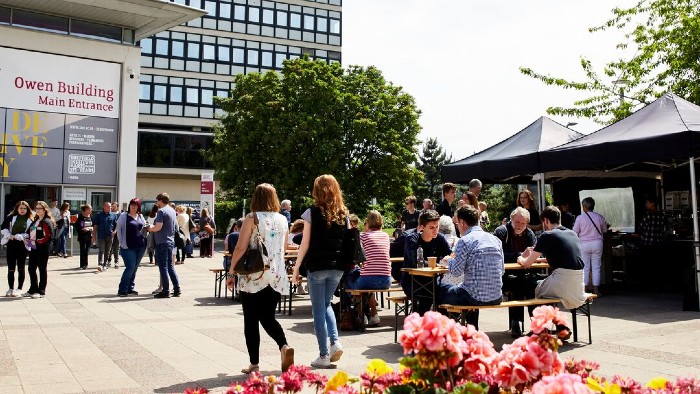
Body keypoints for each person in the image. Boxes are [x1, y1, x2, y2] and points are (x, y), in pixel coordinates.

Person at [226, 183, 294, 374]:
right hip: (276, 275)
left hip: (254, 274)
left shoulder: (252, 218)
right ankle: (284, 346)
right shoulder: (283, 219)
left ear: (256, 198)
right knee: (268, 317)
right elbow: (285, 248)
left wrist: (231, 271)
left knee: (251, 320)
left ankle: (254, 364)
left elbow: (240, 247)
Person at [291, 174, 348, 369]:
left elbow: (304, 243)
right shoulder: (344, 214)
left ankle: (324, 355)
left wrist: (297, 267)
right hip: (338, 267)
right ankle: (335, 342)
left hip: (317, 267)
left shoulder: (311, 213)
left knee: (318, 310)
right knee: (326, 304)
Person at [517, 206, 586, 338]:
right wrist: (538, 260)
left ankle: (539, 329)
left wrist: (520, 257)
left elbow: (526, 264)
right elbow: (565, 258)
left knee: (531, 287)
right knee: (546, 291)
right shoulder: (572, 233)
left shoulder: (547, 235)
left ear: (546, 221)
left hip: (562, 283)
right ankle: (561, 327)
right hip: (578, 285)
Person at [438, 205, 504, 329]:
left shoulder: (464, 241)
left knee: (437, 290)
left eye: (457, 224)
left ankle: (446, 334)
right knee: (463, 287)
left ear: (462, 222)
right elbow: (502, 270)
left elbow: (456, 272)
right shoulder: (495, 240)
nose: (457, 227)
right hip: (496, 296)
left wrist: (448, 261)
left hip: (472, 297)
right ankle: (472, 329)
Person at [493, 207, 537, 337]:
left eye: (523, 223)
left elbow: (535, 251)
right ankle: (516, 322)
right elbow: (496, 254)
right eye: (517, 222)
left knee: (534, 284)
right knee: (518, 283)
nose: (520, 226)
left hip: (524, 272)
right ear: (511, 219)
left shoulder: (529, 233)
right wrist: (518, 255)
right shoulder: (501, 232)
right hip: (503, 274)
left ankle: (536, 324)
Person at [345, 210, 392, 326]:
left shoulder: (363, 236)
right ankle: (374, 315)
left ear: (367, 222)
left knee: (350, 279)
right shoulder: (386, 236)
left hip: (368, 280)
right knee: (368, 284)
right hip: (386, 280)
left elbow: (356, 253)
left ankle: (361, 316)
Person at [400, 210, 452, 314]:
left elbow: (451, 255)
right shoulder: (412, 239)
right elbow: (415, 262)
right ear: (422, 227)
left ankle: (441, 326)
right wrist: (436, 265)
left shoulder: (439, 238)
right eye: (432, 227)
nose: (435, 230)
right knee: (427, 297)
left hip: (432, 282)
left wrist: (449, 258)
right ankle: (421, 325)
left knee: (450, 293)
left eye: (437, 227)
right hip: (413, 282)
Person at [148, 193, 180, 298]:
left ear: (160, 200)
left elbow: (158, 227)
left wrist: (150, 228)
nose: (157, 203)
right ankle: (176, 289)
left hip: (162, 242)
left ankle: (165, 290)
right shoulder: (171, 210)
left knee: (163, 267)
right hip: (170, 241)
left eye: (157, 201)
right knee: (170, 266)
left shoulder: (161, 211)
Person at [573, 197, 607, 295]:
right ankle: (596, 290)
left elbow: (575, 232)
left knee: (585, 267)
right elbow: (604, 230)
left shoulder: (580, 218)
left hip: (584, 244)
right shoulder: (600, 217)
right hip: (597, 243)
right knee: (596, 267)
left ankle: (585, 289)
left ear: (584, 207)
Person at [116, 198, 147, 297]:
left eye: (135, 205)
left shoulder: (140, 216)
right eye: (132, 205)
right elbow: (119, 230)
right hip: (128, 247)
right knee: (130, 267)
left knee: (134, 268)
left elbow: (144, 228)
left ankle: (130, 288)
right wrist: (121, 243)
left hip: (141, 246)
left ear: (138, 207)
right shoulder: (124, 216)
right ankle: (122, 289)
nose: (133, 207)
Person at [2, 201, 33, 297]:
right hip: (11, 244)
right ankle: (10, 288)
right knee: (11, 268)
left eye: (24, 208)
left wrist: (23, 235)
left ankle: (19, 288)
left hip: (23, 246)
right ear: (17, 209)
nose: (22, 210)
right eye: (21, 208)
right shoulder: (11, 217)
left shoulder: (31, 219)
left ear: (27, 209)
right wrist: (9, 235)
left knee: (21, 267)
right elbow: (3, 227)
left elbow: (31, 232)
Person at [24, 201, 55, 299]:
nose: (37, 210)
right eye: (36, 208)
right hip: (34, 247)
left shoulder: (47, 221)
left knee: (42, 269)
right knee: (31, 269)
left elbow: (48, 236)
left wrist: (37, 241)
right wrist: (27, 238)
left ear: (45, 210)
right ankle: (33, 289)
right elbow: (30, 231)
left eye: (39, 208)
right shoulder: (36, 220)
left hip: (43, 248)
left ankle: (41, 291)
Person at [637, 196, 666, 288]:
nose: (646, 204)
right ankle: (656, 285)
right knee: (656, 265)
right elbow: (663, 229)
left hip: (646, 244)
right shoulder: (662, 215)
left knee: (647, 266)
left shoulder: (647, 215)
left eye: (647, 202)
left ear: (652, 203)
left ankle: (648, 285)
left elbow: (640, 228)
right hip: (658, 243)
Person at [94, 202, 117, 272]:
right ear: (104, 207)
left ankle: (105, 265)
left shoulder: (113, 215)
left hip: (110, 236)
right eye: (108, 207)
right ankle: (100, 264)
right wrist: (94, 236)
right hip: (101, 235)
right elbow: (95, 226)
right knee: (101, 250)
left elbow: (116, 225)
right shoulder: (99, 215)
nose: (110, 208)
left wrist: (115, 231)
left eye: (110, 207)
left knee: (108, 251)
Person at [75, 204, 94, 270]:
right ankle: (83, 264)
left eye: (91, 209)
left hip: (89, 236)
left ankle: (85, 264)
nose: (91, 210)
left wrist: (91, 228)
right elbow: (78, 226)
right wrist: (82, 229)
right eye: (89, 209)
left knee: (87, 250)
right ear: (85, 210)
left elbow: (93, 225)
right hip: (82, 236)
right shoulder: (81, 217)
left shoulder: (91, 217)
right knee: (83, 250)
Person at [108, 201, 121, 268]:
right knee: (109, 248)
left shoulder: (120, 215)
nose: (113, 208)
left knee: (116, 248)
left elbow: (119, 224)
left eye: (114, 206)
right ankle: (108, 261)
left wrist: (115, 231)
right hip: (110, 233)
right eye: (112, 206)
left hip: (117, 233)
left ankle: (116, 262)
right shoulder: (109, 213)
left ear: (117, 207)